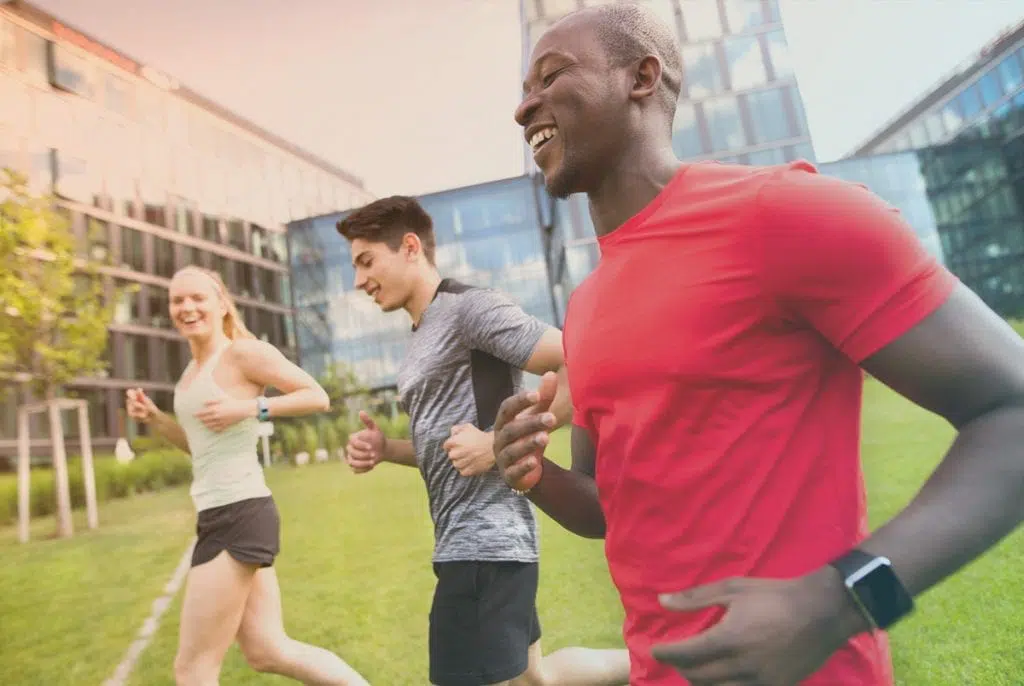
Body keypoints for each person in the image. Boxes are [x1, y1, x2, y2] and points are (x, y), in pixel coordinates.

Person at [491, 4, 1024, 686]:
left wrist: (843, 597)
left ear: (642, 78)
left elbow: (1012, 408)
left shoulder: (785, 216)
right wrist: (536, 474)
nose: (522, 106)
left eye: (551, 75)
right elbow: (610, 507)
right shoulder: (587, 305)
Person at [336, 196, 630, 686]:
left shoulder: (469, 309)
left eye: (366, 261)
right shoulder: (422, 333)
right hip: (472, 544)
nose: (358, 280)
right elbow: (448, 450)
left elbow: (580, 360)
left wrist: (497, 442)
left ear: (410, 247)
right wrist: (388, 449)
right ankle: (652, 660)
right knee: (536, 678)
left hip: (485, 545)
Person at [125, 266, 369, 686]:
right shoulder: (189, 374)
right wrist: (156, 419)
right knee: (267, 650)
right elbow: (198, 447)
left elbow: (317, 395)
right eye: (177, 300)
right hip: (221, 512)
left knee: (193, 669)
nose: (187, 307)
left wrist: (249, 409)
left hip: (238, 514)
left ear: (221, 303)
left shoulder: (242, 354)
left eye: (197, 297)